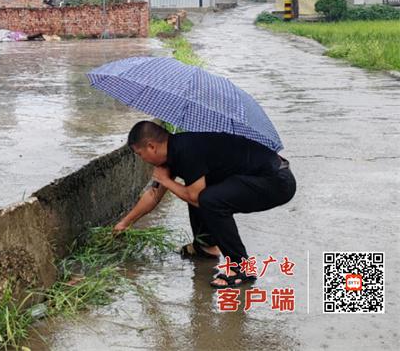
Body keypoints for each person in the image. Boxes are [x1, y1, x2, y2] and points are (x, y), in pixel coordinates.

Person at [114, 121, 296, 288]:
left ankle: (241, 269)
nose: (141, 159)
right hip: (260, 177)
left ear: (151, 146)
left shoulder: (187, 151)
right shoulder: (172, 153)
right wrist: (124, 223)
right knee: (198, 191)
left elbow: (195, 197)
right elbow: (153, 195)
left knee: (208, 199)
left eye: (140, 154)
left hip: (276, 182)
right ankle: (206, 247)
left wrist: (167, 182)